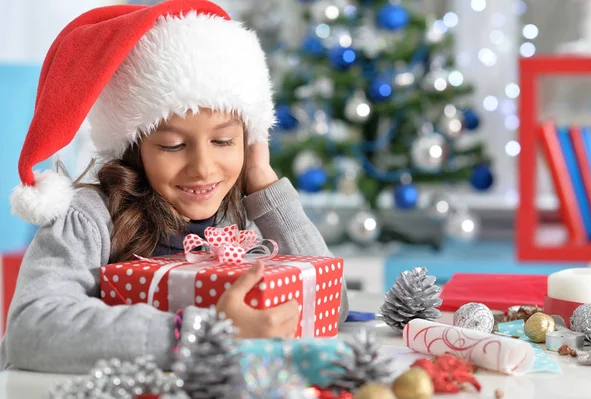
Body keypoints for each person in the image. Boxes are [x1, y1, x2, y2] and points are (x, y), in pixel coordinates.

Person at [1, 0, 348, 373]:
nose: (202, 168)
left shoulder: (238, 219)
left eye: (223, 142)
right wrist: (202, 335)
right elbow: (31, 328)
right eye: (172, 146)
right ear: (134, 149)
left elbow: (331, 302)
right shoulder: (87, 217)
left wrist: (263, 181)